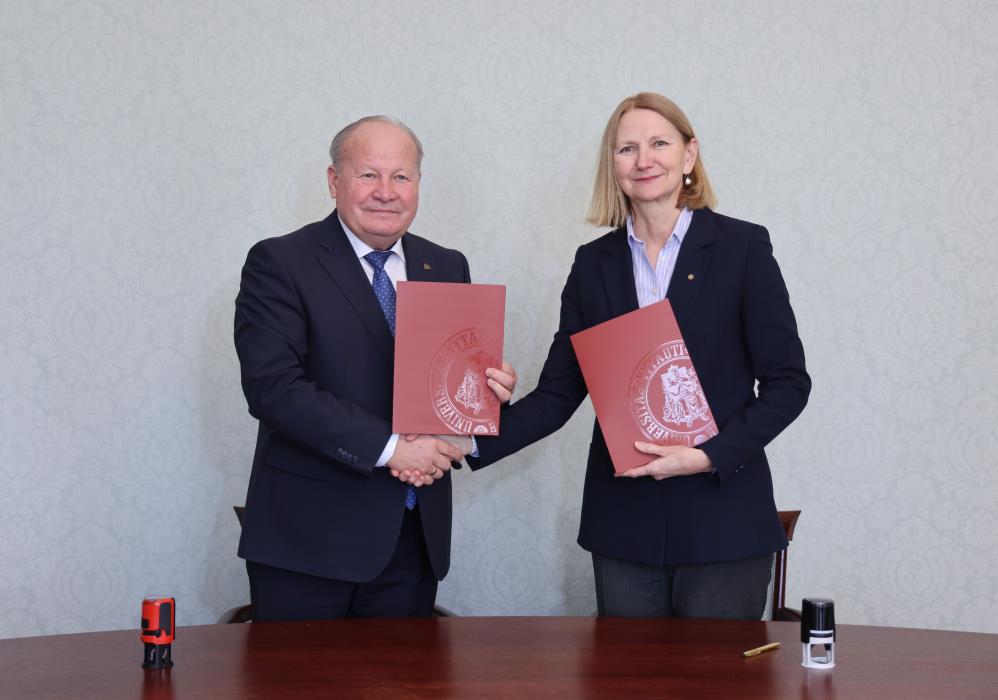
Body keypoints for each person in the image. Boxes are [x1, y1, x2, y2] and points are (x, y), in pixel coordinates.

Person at [466, 93, 811, 619]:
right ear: (613, 165)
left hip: (722, 520)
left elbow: (788, 384)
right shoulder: (592, 264)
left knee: (715, 671)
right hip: (623, 527)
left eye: (659, 144)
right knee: (625, 670)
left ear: (689, 155)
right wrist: (465, 440)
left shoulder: (742, 248)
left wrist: (709, 455)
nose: (643, 159)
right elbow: (558, 395)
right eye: (627, 148)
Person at [233, 115, 514, 620]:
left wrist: (482, 390)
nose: (386, 191)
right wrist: (391, 449)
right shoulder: (280, 262)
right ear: (334, 180)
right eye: (368, 174)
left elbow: (442, 386)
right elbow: (273, 389)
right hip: (308, 545)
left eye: (401, 176)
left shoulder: (446, 266)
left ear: (418, 184)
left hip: (413, 540)